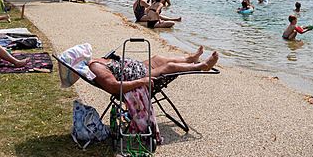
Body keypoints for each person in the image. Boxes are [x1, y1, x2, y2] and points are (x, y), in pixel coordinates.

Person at [88, 46, 218, 94]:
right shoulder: (95, 67)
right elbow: (114, 87)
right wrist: (141, 82)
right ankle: (202, 66)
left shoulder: (97, 61)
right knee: (169, 67)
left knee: (158, 58)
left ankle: (190, 59)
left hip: (139, 68)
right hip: (140, 77)